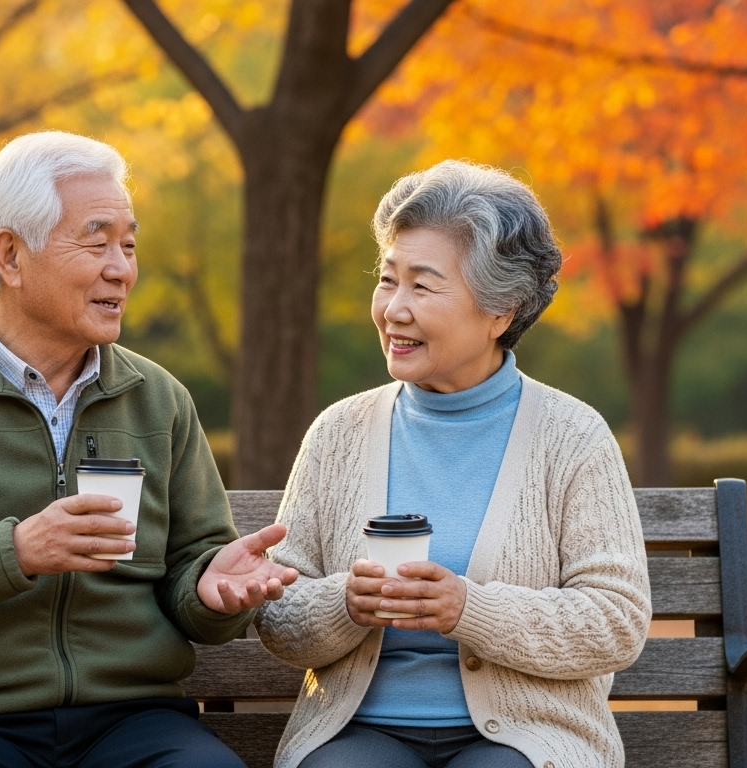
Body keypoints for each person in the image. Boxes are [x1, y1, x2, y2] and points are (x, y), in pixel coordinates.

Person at [0, 130, 298, 768]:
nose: (122, 268)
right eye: (97, 241)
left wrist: (212, 593)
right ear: (11, 256)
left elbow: (192, 576)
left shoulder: (158, 400)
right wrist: (17, 551)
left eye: (128, 245)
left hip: (133, 719)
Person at [255, 160, 651, 768]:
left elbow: (616, 619)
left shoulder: (573, 436)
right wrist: (346, 604)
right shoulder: (338, 433)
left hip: (525, 738)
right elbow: (279, 614)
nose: (394, 309)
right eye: (388, 280)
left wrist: (470, 609)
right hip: (360, 734)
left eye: (423, 285)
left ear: (502, 310)